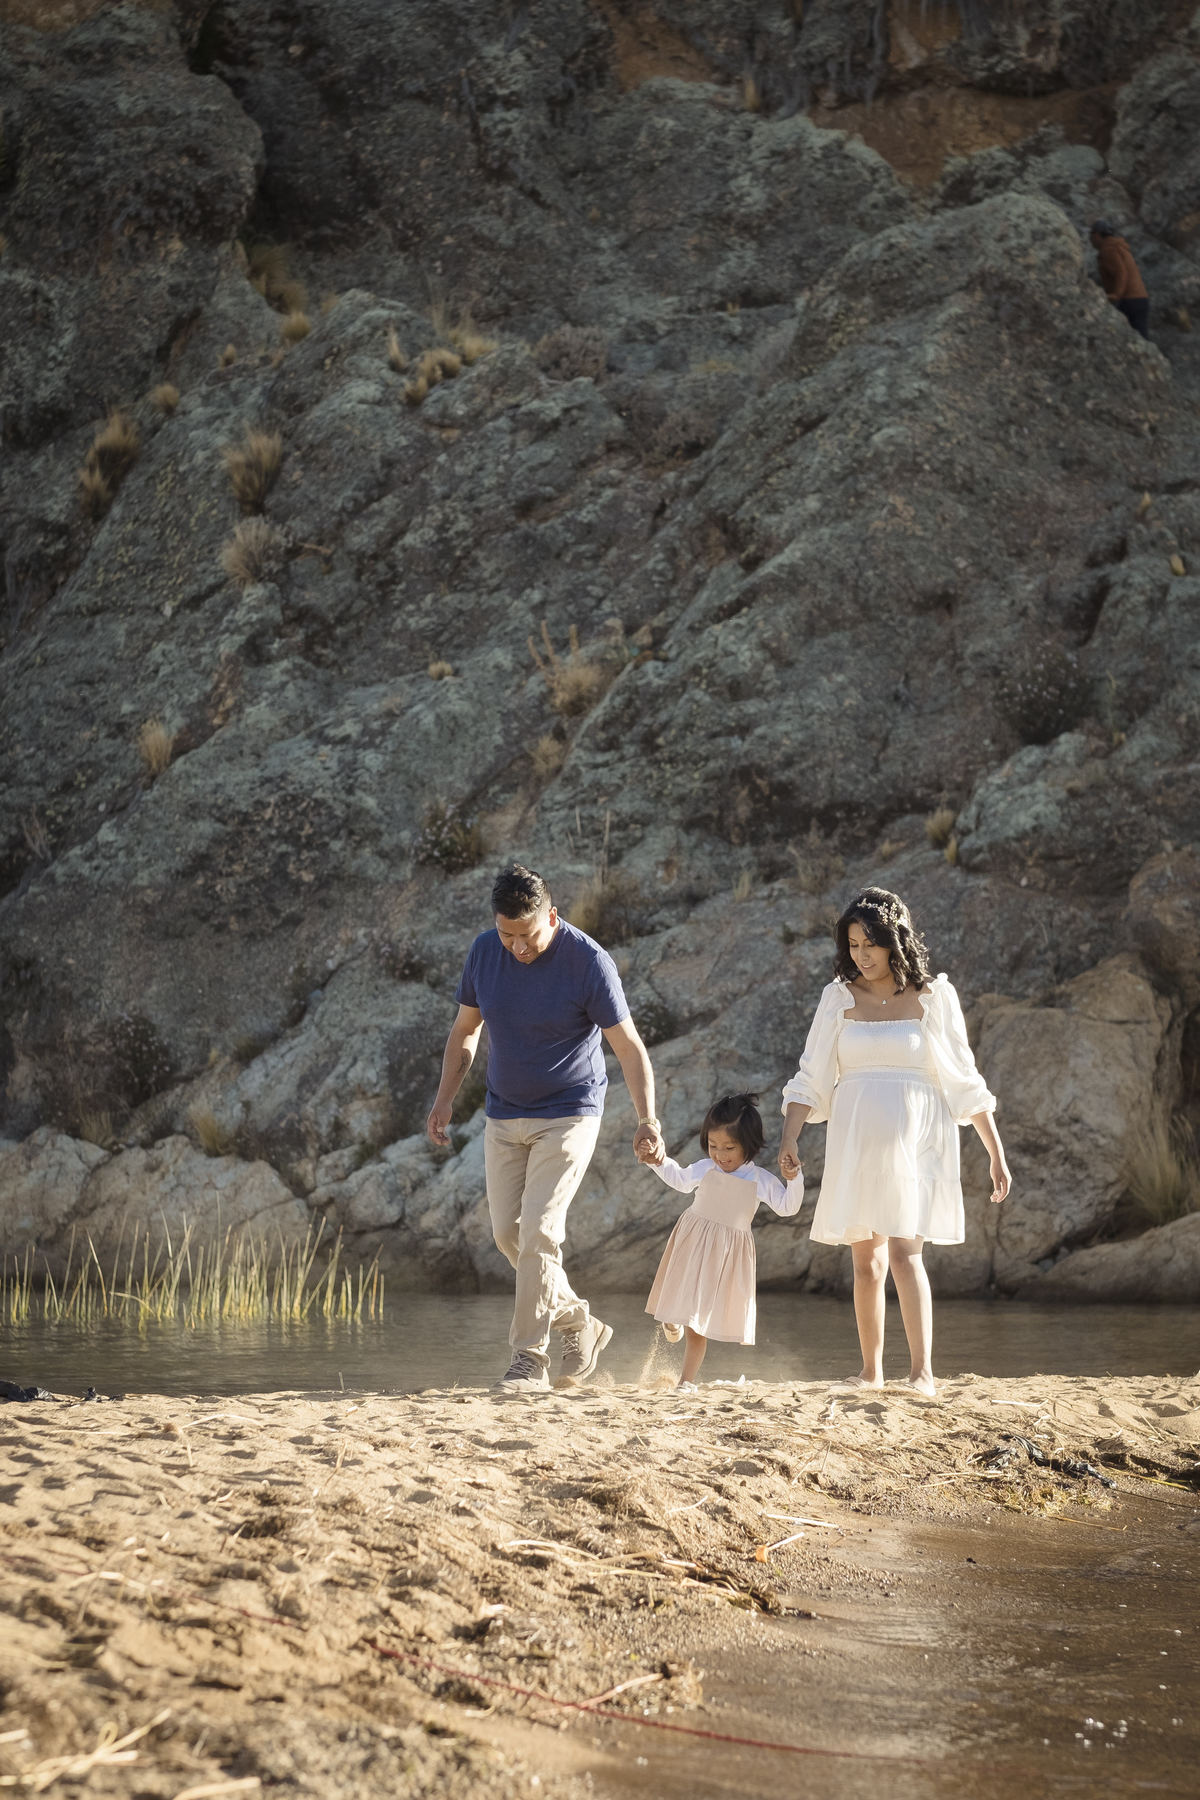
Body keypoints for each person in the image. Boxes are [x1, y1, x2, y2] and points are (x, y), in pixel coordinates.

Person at [427, 863, 665, 1393]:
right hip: (503, 1114)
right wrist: (444, 1100)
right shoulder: (484, 952)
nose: (516, 947)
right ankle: (580, 1320)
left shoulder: (588, 962)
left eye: (526, 935)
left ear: (552, 917)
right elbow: (465, 1032)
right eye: (506, 934)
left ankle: (528, 1358)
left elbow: (628, 1047)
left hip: (570, 1111)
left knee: (539, 1231)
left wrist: (648, 1120)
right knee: (507, 1234)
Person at [778, 888, 1011, 1397]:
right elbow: (811, 1075)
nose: (861, 955)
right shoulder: (838, 998)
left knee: (906, 1255)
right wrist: (790, 1135)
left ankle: (922, 1373)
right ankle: (870, 1371)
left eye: (871, 944)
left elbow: (963, 1079)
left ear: (894, 942)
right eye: (853, 944)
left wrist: (994, 1151)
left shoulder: (933, 998)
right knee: (867, 1261)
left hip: (917, 1143)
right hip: (857, 1141)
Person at [641, 1092, 804, 1391]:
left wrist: (793, 1178)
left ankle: (685, 1382)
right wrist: (657, 1161)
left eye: (729, 1147)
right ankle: (672, 1318)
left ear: (750, 1146)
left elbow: (788, 1207)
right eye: (713, 1146)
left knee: (697, 1323)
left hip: (726, 1255)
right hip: (692, 1242)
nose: (720, 1154)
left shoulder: (760, 1180)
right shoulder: (707, 1168)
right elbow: (679, 1179)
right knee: (685, 1306)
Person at [1090, 220, 1150, 340]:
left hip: (1129, 300)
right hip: (1140, 298)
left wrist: (1116, 295)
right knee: (1141, 338)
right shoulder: (1118, 247)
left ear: (1096, 235)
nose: (1090, 239)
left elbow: (1121, 273)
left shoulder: (1108, 250)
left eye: (1091, 235)